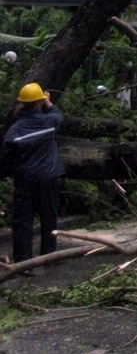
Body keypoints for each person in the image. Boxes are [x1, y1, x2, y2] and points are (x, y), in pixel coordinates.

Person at [1, 83, 64, 268]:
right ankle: (49, 257)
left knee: (23, 221)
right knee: (49, 217)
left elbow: (6, 159)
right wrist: (48, 100)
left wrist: (14, 173)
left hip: (25, 180)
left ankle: (23, 262)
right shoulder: (48, 123)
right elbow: (58, 116)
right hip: (48, 178)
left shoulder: (15, 130)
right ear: (38, 103)